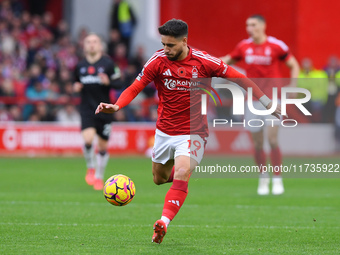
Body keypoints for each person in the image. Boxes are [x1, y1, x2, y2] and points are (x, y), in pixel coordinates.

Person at [95, 19, 281, 244]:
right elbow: (135, 86)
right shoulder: (158, 61)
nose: (166, 49)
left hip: (194, 132)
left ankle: (163, 222)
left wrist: (267, 102)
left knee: (182, 172)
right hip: (164, 131)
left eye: (170, 45)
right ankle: (181, 182)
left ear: (184, 41)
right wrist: (117, 105)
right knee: (158, 178)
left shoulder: (204, 62)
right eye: (163, 44)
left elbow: (240, 78)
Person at [220, 14, 300, 196]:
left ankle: (277, 178)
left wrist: (293, 85)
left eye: (253, 24)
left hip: (273, 99)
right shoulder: (243, 46)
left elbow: (294, 64)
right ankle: (263, 176)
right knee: (257, 144)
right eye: (247, 25)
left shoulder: (276, 45)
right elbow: (227, 60)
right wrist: (207, 63)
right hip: (252, 100)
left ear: (263, 26)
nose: (249, 28)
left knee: (272, 139)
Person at [74, 33, 122, 190]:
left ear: (100, 45)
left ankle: (100, 177)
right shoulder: (80, 66)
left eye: (95, 42)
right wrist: (75, 87)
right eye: (89, 42)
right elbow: (74, 82)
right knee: (88, 140)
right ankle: (90, 167)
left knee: (102, 147)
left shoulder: (108, 64)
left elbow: (120, 82)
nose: (92, 44)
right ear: (85, 45)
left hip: (105, 110)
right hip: (87, 109)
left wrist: (109, 82)